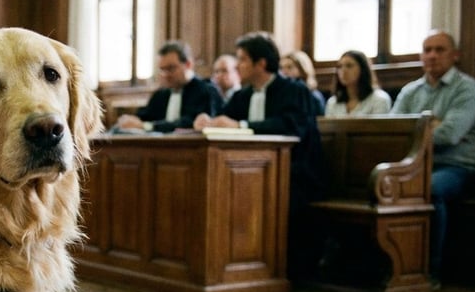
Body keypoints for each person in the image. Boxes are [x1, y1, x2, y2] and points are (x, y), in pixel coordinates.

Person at [194, 31, 326, 279]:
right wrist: (208, 121)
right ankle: (229, 265)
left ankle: (268, 267)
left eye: (242, 59)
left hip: (294, 174)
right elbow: (225, 120)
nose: (238, 65)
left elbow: (291, 127)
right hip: (245, 173)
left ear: (261, 63)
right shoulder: (242, 95)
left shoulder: (294, 91)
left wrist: (241, 126)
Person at [390, 30, 475, 290]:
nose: (432, 55)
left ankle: (430, 270)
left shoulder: (468, 88)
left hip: (457, 166)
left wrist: (422, 128)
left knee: (430, 189)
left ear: (455, 55)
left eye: (439, 50)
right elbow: (393, 131)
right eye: (427, 49)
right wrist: (431, 125)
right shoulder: (411, 91)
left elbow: (450, 135)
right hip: (415, 164)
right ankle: (397, 265)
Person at [115, 41, 222, 132]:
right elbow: (144, 117)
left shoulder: (206, 91)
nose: (166, 75)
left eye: (171, 68)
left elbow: (191, 123)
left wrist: (147, 126)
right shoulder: (161, 94)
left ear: (188, 64)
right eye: (162, 69)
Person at [324, 50, 392, 117]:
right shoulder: (332, 103)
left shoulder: (379, 99)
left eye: (349, 66)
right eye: (340, 66)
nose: (343, 71)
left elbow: (379, 127)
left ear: (363, 69)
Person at [280, 50, 325, 116]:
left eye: (289, 67)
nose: (284, 72)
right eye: (281, 68)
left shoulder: (314, 96)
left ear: (302, 69)